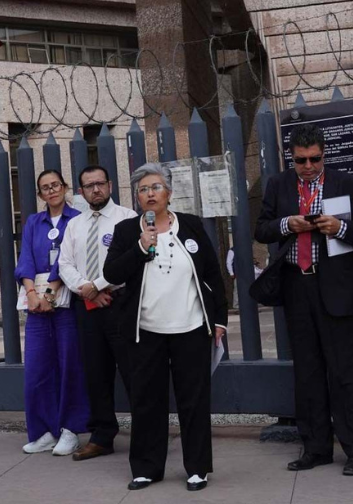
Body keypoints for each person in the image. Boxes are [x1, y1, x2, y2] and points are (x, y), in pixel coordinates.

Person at [255, 123, 353, 476]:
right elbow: (261, 228)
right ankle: (316, 447)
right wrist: (288, 224)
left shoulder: (345, 184)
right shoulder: (278, 184)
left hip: (336, 287)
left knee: (346, 373)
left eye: (314, 159)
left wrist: (341, 229)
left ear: (325, 154)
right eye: (301, 160)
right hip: (297, 286)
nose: (308, 166)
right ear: (291, 157)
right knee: (307, 373)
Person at [103, 162, 227, 492]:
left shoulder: (191, 225)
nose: (150, 193)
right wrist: (141, 246)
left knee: (194, 400)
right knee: (146, 401)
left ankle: (197, 468)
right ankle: (146, 468)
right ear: (138, 198)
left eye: (156, 187)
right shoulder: (128, 232)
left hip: (190, 327)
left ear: (169, 192)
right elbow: (112, 273)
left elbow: (212, 275)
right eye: (143, 189)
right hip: (146, 330)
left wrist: (218, 320)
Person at [58, 165, 137, 461]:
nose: (95, 190)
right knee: (96, 373)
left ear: (110, 185)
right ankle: (103, 435)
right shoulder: (74, 225)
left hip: (120, 302)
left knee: (132, 369)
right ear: (81, 191)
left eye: (100, 184)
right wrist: (86, 288)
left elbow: (132, 260)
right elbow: (65, 264)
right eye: (89, 186)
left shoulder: (127, 219)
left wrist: (100, 286)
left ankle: (146, 432)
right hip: (87, 307)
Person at [14, 169, 90, 456]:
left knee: (69, 364)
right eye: (45, 187)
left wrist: (51, 292)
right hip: (36, 304)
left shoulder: (77, 220)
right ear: (40, 193)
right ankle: (44, 430)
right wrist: (32, 293)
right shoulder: (34, 222)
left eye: (55, 185)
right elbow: (26, 260)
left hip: (66, 298)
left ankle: (70, 429)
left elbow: (69, 258)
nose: (51, 190)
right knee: (37, 368)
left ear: (65, 187)